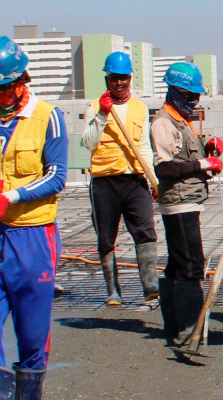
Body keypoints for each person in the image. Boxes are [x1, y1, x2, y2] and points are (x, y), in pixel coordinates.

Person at [0, 36, 67, 399]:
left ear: (23, 80)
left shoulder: (49, 117)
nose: (0, 96)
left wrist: (11, 196)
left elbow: (57, 176)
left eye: (6, 88)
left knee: (33, 335)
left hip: (34, 240)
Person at [150, 62, 223, 343]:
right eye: (188, 95)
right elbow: (165, 168)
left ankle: (174, 327)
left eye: (196, 96)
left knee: (176, 263)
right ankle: (191, 328)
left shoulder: (181, 122)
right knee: (190, 264)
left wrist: (207, 150)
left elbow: (183, 156)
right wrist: (203, 164)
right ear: (173, 92)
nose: (193, 101)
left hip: (188, 200)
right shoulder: (163, 123)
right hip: (179, 203)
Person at [79, 51, 160, 307]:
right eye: (114, 78)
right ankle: (113, 291)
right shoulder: (94, 107)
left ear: (129, 78)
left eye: (123, 78)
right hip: (105, 182)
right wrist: (102, 114)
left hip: (135, 180)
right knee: (106, 237)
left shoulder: (140, 108)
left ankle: (150, 285)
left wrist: (153, 179)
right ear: (107, 78)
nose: (119, 83)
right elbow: (88, 142)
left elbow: (144, 145)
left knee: (145, 232)